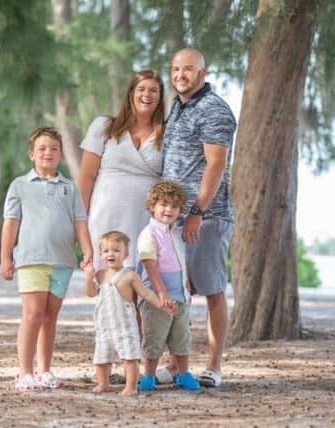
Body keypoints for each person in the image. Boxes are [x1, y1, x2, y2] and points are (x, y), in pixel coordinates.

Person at [160, 48, 237, 388]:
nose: (180, 75)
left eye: (188, 69)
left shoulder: (215, 109)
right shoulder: (178, 106)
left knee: (213, 291)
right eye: (176, 69)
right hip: (174, 219)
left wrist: (197, 212)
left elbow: (216, 164)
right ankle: (177, 365)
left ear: (203, 73)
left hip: (206, 218)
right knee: (177, 292)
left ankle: (214, 368)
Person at [0, 126, 92, 393]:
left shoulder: (70, 188)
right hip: (31, 259)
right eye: (42, 148)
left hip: (62, 261)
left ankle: (45, 370)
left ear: (61, 154)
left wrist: (87, 252)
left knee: (50, 318)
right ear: (32, 154)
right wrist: (6, 257)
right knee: (33, 314)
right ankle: (25, 373)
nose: (47, 153)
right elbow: (10, 224)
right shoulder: (20, 185)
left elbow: (80, 223)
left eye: (53, 149)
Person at [78, 69, 165, 272]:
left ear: (160, 98)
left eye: (154, 90)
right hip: (106, 214)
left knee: (139, 282)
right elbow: (86, 176)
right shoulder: (105, 126)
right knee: (107, 281)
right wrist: (80, 222)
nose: (147, 94)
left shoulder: (167, 134)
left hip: (145, 219)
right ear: (131, 93)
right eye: (141, 89)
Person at [83, 231, 172, 397]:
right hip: (105, 326)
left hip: (125, 327)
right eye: (107, 250)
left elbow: (145, 293)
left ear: (126, 254)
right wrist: (88, 276)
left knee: (130, 358)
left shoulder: (130, 275)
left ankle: (131, 386)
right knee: (102, 358)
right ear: (101, 254)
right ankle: (103, 383)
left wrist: (161, 304)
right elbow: (90, 293)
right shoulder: (100, 275)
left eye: (116, 250)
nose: (111, 254)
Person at [137, 181, 201, 392]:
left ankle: (183, 374)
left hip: (180, 296)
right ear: (152, 206)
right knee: (154, 337)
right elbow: (151, 265)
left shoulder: (174, 233)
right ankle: (149, 376)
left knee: (181, 337)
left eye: (174, 206)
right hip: (158, 297)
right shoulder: (149, 234)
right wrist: (162, 293)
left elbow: (181, 260)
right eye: (163, 204)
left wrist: (187, 284)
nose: (169, 210)